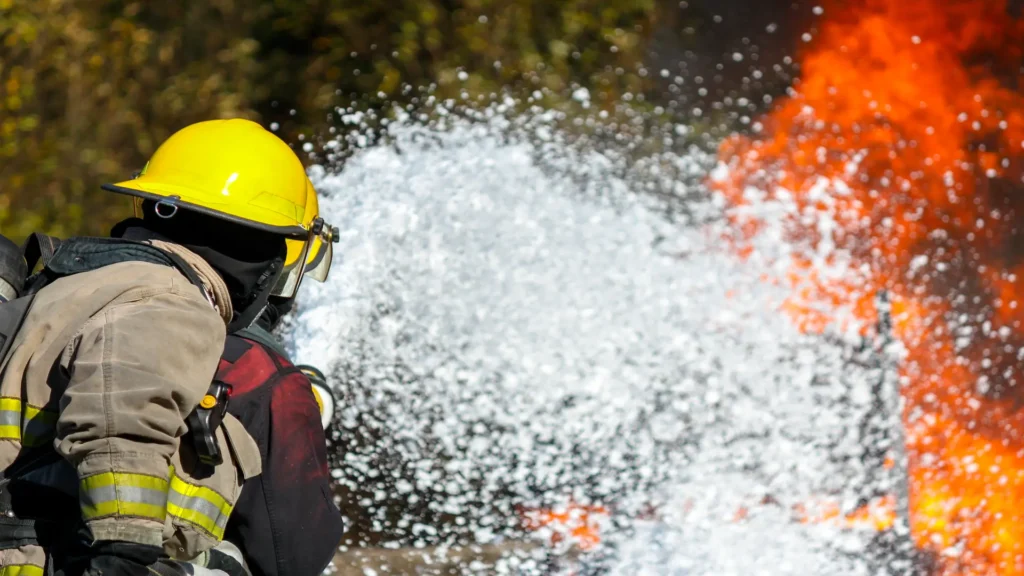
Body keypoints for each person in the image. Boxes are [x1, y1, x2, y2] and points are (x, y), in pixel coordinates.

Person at [0, 118, 342, 576]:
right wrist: (124, 552)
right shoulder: (172, 300)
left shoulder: (70, 290)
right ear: (265, 255)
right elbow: (120, 415)